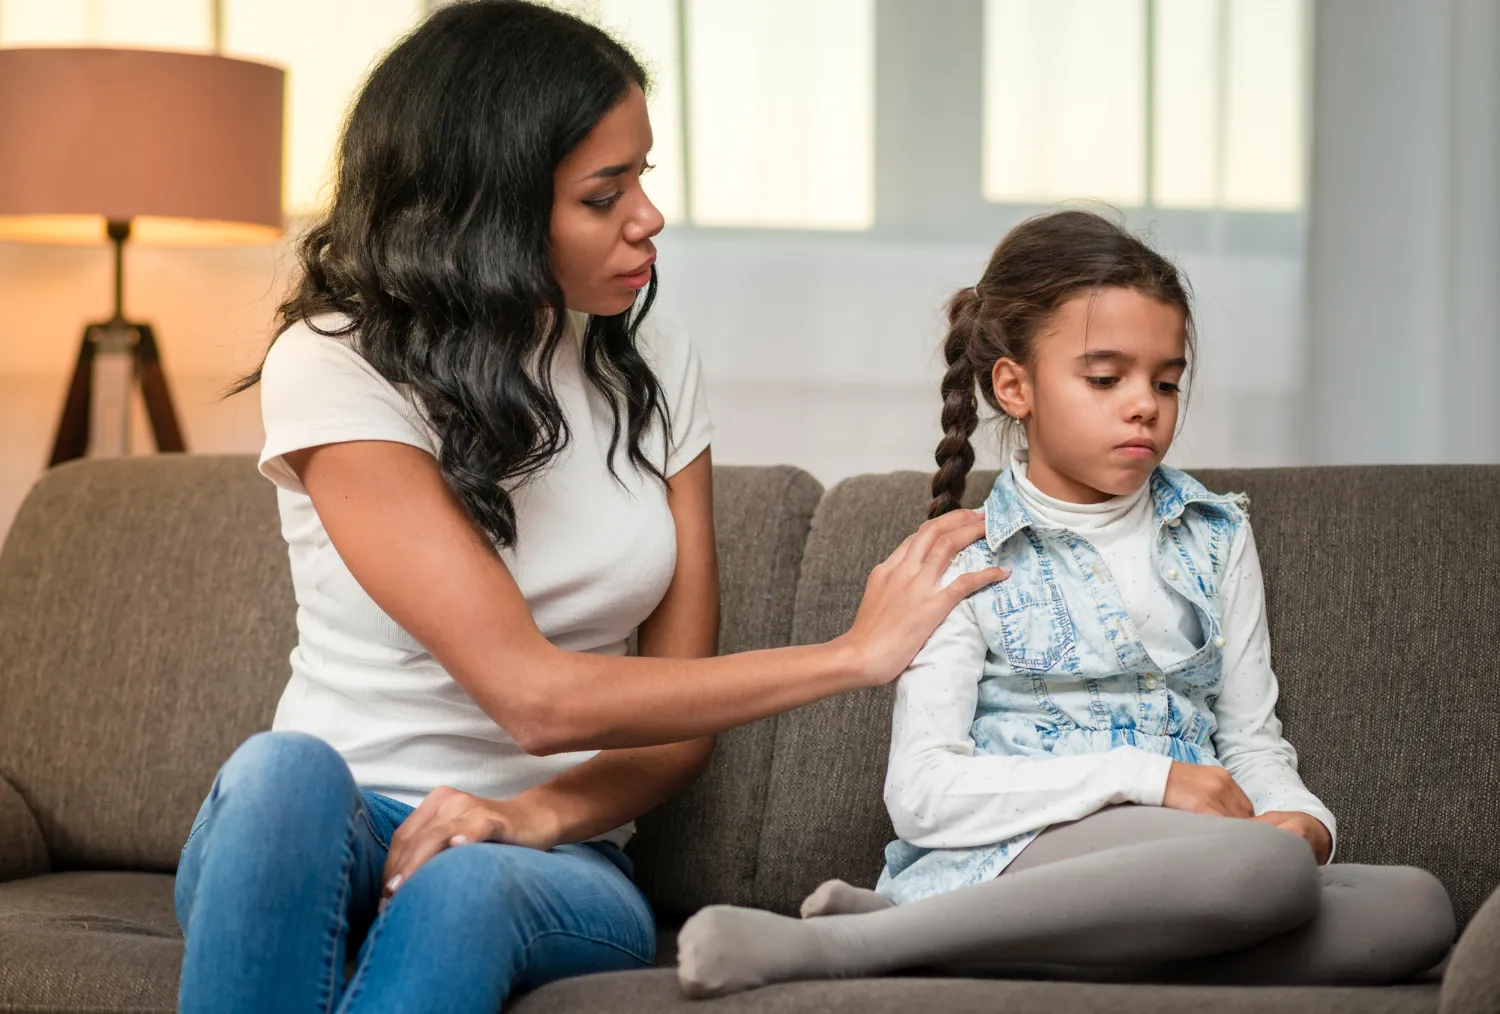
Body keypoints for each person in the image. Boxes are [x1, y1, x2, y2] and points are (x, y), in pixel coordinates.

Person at [171, 4, 1005, 1012]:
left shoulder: (652, 366)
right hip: (327, 831)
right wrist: (850, 656)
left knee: (468, 882)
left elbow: (674, 728)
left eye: (642, 177)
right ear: (488, 212)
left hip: (553, 857)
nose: (647, 216)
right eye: (604, 194)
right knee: (278, 775)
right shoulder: (335, 362)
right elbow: (534, 698)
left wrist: (529, 818)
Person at [674, 210, 1457, 998]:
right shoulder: (963, 558)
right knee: (1259, 868)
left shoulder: (1219, 536)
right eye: (1105, 378)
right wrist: (1148, 778)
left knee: (1410, 908)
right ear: (1015, 386)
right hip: (1024, 851)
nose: (1144, 405)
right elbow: (921, 796)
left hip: (1207, 862)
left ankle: (976, 943)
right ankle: (857, 945)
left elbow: (1252, 743)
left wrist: (1303, 821)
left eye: (1166, 380)